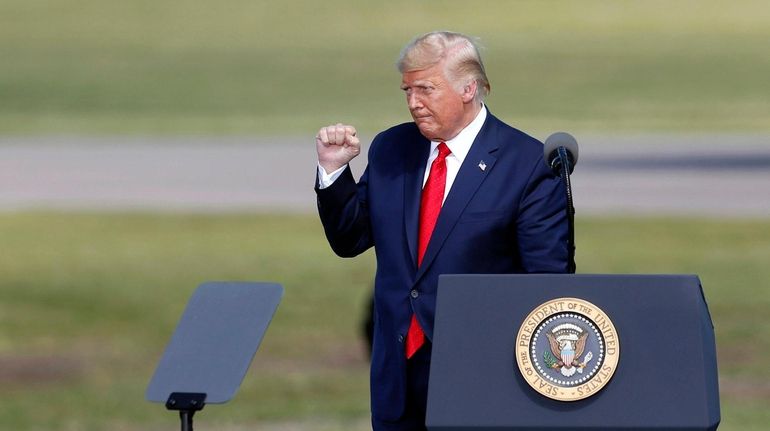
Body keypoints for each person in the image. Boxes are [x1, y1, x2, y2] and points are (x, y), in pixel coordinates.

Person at [314, 31, 569, 431]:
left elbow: (548, 285)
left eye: (426, 89)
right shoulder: (392, 148)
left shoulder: (526, 165)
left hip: (483, 381)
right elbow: (350, 239)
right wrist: (333, 171)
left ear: (469, 88)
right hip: (397, 380)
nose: (414, 102)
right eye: (407, 90)